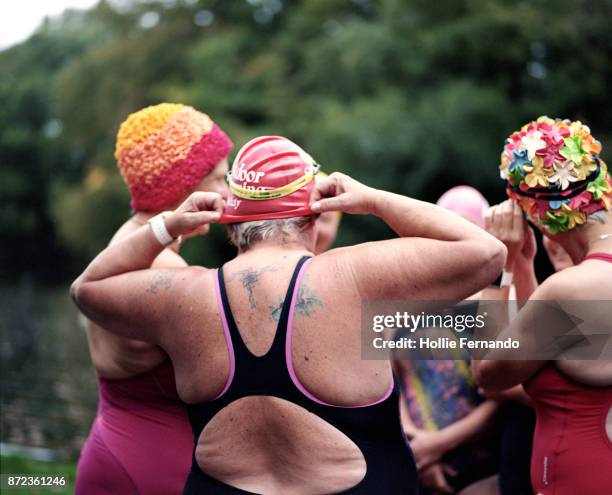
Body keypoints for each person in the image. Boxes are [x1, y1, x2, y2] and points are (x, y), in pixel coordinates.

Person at [71, 135, 506, 494]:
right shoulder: (354, 276)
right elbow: (487, 253)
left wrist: (167, 227)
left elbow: (87, 288)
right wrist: (374, 201)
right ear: (314, 218)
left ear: (229, 223)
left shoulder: (185, 296)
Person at [75, 103, 233, 495]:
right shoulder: (168, 274)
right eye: (218, 178)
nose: (228, 192)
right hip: (158, 468)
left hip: (113, 450)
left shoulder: (125, 244)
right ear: (181, 188)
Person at [473, 116, 612, 495]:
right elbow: (551, 345)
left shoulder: (571, 289)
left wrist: (498, 265)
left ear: (537, 214)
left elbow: (489, 372)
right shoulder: (581, 285)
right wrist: (522, 265)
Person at [393, 185, 532, 495]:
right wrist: (414, 444)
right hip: (414, 461)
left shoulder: (496, 302)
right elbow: (394, 378)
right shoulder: (409, 300)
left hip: (482, 465)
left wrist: (437, 445)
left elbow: (504, 390)